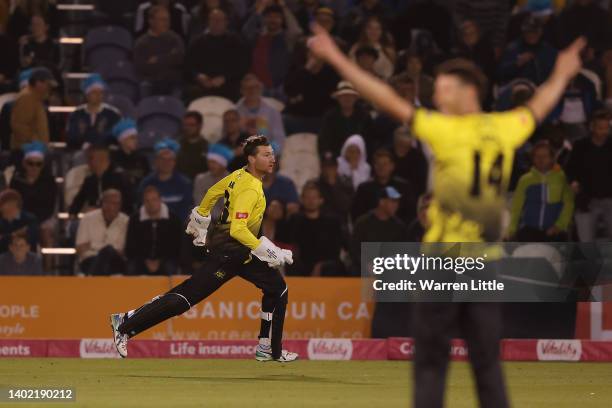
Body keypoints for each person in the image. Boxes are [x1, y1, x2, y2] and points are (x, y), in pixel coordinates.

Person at [308, 23, 585, 408]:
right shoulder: (505, 128)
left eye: (443, 88)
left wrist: (337, 57)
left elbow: (385, 98)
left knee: (430, 366)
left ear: (468, 91)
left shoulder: (445, 129)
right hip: (483, 266)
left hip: (441, 263)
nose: (435, 94)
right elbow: (539, 107)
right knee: (488, 366)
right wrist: (563, 71)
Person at [110, 135, 298, 362]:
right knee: (184, 299)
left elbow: (211, 193)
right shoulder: (250, 189)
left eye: (272, 154)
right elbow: (238, 230)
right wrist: (268, 250)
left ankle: (268, 348)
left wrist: (201, 217)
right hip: (229, 254)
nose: (272, 159)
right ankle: (125, 324)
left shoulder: (238, 175)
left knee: (277, 288)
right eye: (266, 154)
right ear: (251, 158)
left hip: (241, 253)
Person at [509, 141, 574, 242]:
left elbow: (568, 204)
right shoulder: (525, 180)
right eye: (537, 156)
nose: (541, 160)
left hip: (554, 232)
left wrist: (559, 225)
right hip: (529, 231)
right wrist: (511, 230)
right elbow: (516, 207)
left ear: (552, 158)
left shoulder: (561, 178)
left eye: (544, 156)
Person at [565, 109, 612, 241]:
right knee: (586, 243)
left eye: (606, 128)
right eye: (599, 128)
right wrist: (573, 182)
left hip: (610, 199)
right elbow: (570, 169)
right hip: (586, 200)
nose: (603, 131)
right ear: (592, 127)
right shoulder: (580, 146)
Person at [184, 8, 247, 102]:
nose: (217, 22)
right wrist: (198, 76)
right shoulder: (197, 42)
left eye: (220, 20)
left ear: (226, 22)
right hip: (203, 86)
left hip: (228, 85)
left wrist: (225, 78)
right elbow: (188, 65)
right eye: (213, 19)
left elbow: (242, 66)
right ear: (208, 22)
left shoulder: (236, 42)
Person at [242, 3, 303, 98]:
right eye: (269, 17)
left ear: (282, 20)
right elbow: (246, 30)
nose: (273, 20)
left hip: (280, 88)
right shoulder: (258, 36)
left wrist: (283, 7)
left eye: (277, 17)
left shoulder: (287, 38)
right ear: (264, 19)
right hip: (258, 86)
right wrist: (261, 7)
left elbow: (296, 31)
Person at [284, 182, 344, 276]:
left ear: (321, 200)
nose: (311, 201)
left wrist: (320, 265)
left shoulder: (332, 222)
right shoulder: (295, 220)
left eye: (314, 198)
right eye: (307, 198)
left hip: (326, 265)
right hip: (301, 265)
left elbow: (335, 250)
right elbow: (289, 245)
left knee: (333, 267)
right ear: (302, 200)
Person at [9, 141, 57, 254]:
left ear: (43, 165)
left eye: (38, 164)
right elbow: (13, 203)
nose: (34, 167)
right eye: (31, 163)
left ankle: (45, 269)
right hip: (20, 217)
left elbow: (49, 207)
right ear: (24, 163)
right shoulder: (16, 180)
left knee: (44, 231)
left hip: (44, 218)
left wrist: (34, 222)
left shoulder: (49, 181)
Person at [350, 186, 408, 275]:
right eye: (392, 201)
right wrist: (367, 264)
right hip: (364, 270)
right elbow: (355, 250)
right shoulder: (363, 223)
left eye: (397, 202)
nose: (396, 205)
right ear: (381, 202)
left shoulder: (399, 226)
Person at [125, 186, 182, 276]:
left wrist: (159, 261)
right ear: (143, 202)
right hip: (141, 259)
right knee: (131, 268)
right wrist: (146, 260)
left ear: (160, 200)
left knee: (170, 267)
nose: (151, 203)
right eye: (147, 201)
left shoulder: (173, 219)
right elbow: (130, 247)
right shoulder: (135, 219)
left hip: (166, 258)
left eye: (154, 200)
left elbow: (177, 246)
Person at [351, 148, 417, 224]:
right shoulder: (364, 189)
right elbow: (356, 215)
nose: (381, 167)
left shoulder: (403, 187)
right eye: (378, 164)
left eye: (385, 164)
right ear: (374, 166)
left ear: (392, 166)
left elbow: (410, 213)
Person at [133, 5, 185, 98]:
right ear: (151, 21)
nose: (167, 23)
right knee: (144, 86)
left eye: (168, 20)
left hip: (172, 81)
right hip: (150, 82)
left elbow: (179, 59)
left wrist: (158, 59)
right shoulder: (141, 43)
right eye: (162, 20)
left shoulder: (175, 39)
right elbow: (141, 67)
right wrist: (169, 57)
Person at [138, 138, 193, 221]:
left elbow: (185, 212)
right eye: (162, 159)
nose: (166, 163)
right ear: (156, 161)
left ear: (175, 162)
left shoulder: (185, 184)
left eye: (170, 160)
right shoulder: (146, 183)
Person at [76, 189, 128, 275]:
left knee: (108, 252)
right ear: (103, 203)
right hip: (90, 260)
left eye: (118, 203)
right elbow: (80, 248)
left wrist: (92, 245)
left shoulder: (126, 221)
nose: (114, 207)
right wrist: (107, 249)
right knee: (106, 254)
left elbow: (123, 252)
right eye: (111, 203)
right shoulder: (88, 219)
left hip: (115, 261)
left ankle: (93, 282)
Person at [69, 145, 133, 215]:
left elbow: (128, 206)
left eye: (91, 158)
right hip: (93, 220)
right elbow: (77, 203)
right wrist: (72, 214)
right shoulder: (90, 180)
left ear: (102, 158)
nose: (88, 162)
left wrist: (99, 210)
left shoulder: (120, 178)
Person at [66, 74, 121, 149]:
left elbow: (116, 138)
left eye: (101, 92)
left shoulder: (112, 114)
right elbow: (71, 138)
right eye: (94, 92)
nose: (98, 95)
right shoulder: (77, 114)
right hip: (80, 155)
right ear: (87, 94)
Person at [318, 81, 372, 157]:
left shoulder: (364, 116)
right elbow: (324, 140)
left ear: (355, 98)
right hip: (336, 157)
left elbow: (370, 140)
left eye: (350, 95)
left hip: (360, 157)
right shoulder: (330, 117)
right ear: (338, 98)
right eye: (343, 96)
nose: (347, 98)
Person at [236, 74, 287, 149]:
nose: (252, 90)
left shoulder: (273, 112)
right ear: (242, 90)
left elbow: (279, 141)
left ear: (260, 89)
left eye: (255, 87)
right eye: (248, 88)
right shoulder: (235, 113)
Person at [10, 66, 55, 149]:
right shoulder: (27, 98)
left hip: (34, 149)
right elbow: (20, 126)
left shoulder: (36, 98)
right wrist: (36, 143)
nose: (49, 88)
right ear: (38, 83)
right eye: (48, 84)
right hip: (27, 151)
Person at [192, 143, 233, 220]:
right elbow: (200, 204)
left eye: (214, 162)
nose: (211, 165)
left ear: (223, 164)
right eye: (209, 162)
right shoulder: (200, 179)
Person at [110, 119, 151, 187]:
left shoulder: (142, 158)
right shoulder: (112, 159)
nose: (136, 141)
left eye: (136, 138)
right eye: (132, 138)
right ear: (122, 140)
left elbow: (148, 181)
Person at [0, 188, 38, 254]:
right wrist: (15, 234)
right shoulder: (1, 220)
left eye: (2, 204)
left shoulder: (30, 219)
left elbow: (29, 240)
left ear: (12, 204)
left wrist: (5, 237)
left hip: (25, 258)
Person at [176, 111, 208, 180]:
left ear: (200, 126)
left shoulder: (207, 147)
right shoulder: (177, 145)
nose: (188, 128)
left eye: (192, 125)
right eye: (186, 125)